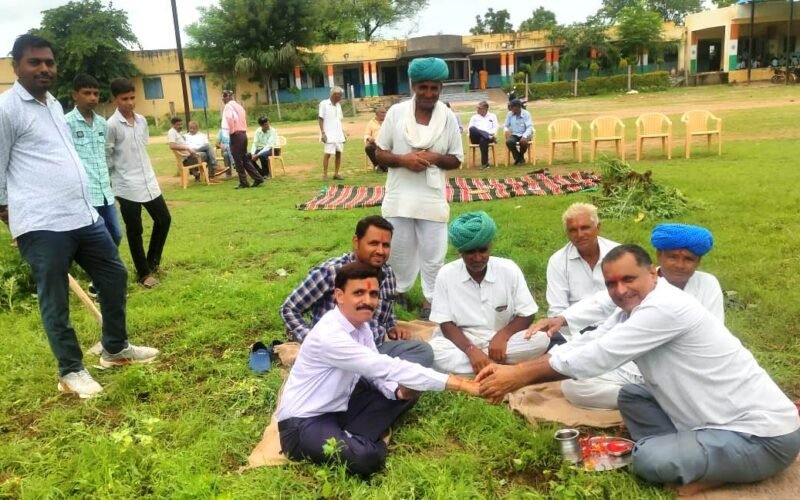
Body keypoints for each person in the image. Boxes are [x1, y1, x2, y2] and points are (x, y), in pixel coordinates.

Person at [478, 244, 800, 495]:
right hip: (708, 420)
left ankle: (703, 469)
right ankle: (691, 456)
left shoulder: (664, 308)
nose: (620, 290)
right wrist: (518, 369)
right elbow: (591, 340)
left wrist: (518, 376)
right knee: (632, 395)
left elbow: (598, 357)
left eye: (628, 279)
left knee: (645, 459)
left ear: (652, 274)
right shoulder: (635, 308)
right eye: (611, 284)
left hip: (763, 438)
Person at [0, 35, 159, 399]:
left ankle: (114, 349)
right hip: (42, 222)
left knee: (114, 275)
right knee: (55, 297)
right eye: (35, 62)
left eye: (49, 62)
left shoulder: (53, 105)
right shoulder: (6, 109)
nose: (44, 68)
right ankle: (70, 370)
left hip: (82, 215)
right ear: (16, 66)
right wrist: (9, 213)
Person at [275, 262, 479, 476]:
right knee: (366, 459)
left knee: (407, 391)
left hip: (339, 409)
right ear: (340, 296)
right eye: (359, 293)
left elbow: (376, 376)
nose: (368, 301)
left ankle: (353, 434)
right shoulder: (330, 335)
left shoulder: (361, 328)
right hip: (303, 424)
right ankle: (364, 440)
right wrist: (461, 384)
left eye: (373, 294)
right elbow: (385, 366)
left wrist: (398, 392)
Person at [534, 223, 723, 410]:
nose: (680, 265)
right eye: (673, 257)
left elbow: (713, 334)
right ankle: (649, 400)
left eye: (688, 259)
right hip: (632, 365)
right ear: (660, 256)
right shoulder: (641, 279)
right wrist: (562, 319)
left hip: (682, 371)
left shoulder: (707, 284)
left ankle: (648, 401)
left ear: (698, 261)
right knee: (574, 386)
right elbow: (601, 302)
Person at [375, 57, 463, 320]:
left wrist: (434, 157)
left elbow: (456, 160)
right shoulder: (396, 113)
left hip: (431, 197)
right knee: (397, 250)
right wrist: (404, 160)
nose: (428, 93)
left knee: (434, 253)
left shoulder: (447, 117)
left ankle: (430, 301)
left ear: (441, 88)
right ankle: (397, 291)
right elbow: (379, 153)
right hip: (399, 195)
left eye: (434, 88)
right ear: (413, 86)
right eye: (423, 87)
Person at [280, 215, 433, 367]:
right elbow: (289, 309)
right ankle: (375, 377)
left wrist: (392, 327)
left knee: (423, 351)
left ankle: (374, 376)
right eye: (373, 243)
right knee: (395, 371)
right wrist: (313, 341)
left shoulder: (387, 274)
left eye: (385, 245)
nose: (380, 251)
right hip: (340, 355)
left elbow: (387, 309)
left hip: (375, 349)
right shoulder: (331, 272)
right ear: (356, 242)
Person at [427, 211, 549, 375]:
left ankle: (479, 366)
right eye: (470, 252)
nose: (478, 258)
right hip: (462, 343)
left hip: (503, 342)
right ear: (460, 252)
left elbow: (527, 313)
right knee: (434, 351)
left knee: (541, 340)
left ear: (490, 246)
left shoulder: (508, 269)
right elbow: (445, 323)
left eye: (483, 250)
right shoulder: (446, 274)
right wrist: (470, 350)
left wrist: (503, 336)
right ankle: (497, 367)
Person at [106, 77, 171, 289]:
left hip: (148, 181)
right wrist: (114, 179)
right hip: (126, 185)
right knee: (135, 230)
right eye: (124, 99)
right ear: (115, 99)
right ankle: (144, 274)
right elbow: (108, 156)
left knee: (164, 219)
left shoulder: (142, 121)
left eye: (132, 97)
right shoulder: (111, 125)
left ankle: (152, 262)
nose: (130, 102)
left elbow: (142, 147)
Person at [545, 203, 619, 343]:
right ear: (567, 233)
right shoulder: (558, 261)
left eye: (585, 228)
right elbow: (557, 310)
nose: (579, 235)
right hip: (575, 331)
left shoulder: (618, 254)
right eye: (573, 230)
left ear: (598, 228)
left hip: (615, 326)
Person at [65, 74, 123, 249]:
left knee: (116, 233)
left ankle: (105, 262)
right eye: (87, 93)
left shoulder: (102, 123)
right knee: (92, 238)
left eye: (96, 94)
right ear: (75, 95)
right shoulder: (66, 123)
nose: (92, 98)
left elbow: (105, 154)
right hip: (84, 193)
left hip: (104, 190)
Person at [223, 89, 263, 189]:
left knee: (237, 159)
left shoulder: (228, 106)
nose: (223, 99)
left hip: (236, 135)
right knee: (244, 158)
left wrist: (231, 131)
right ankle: (257, 177)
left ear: (228, 97)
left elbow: (229, 119)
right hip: (243, 134)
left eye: (224, 96)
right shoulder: (239, 106)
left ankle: (243, 182)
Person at [167, 117, 206, 181]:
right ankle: (211, 173)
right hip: (186, 160)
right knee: (205, 155)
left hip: (189, 156)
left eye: (181, 124)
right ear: (173, 125)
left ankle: (195, 173)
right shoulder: (172, 132)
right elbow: (172, 146)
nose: (180, 126)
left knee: (204, 152)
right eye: (178, 124)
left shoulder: (177, 132)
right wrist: (187, 148)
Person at [319, 86, 346, 181]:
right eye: (340, 95)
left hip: (338, 134)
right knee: (327, 154)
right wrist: (323, 133)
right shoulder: (324, 104)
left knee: (338, 153)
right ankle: (325, 175)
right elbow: (320, 118)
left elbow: (339, 120)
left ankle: (336, 174)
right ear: (334, 95)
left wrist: (343, 133)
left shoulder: (338, 105)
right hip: (328, 133)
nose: (341, 97)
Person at [467, 100, 499, 169]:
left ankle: (485, 164)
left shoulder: (492, 116)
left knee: (483, 139)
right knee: (472, 128)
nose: (477, 109)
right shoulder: (474, 117)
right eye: (477, 108)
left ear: (485, 109)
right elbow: (470, 129)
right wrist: (488, 135)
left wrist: (491, 134)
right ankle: (487, 136)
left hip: (487, 138)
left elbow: (495, 127)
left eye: (479, 108)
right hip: (475, 138)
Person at [504, 99, 534, 165]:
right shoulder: (509, 114)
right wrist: (506, 131)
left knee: (523, 142)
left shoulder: (526, 114)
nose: (511, 109)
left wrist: (524, 136)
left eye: (512, 107)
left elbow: (529, 127)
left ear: (518, 107)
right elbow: (506, 125)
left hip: (525, 133)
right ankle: (520, 158)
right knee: (509, 142)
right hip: (514, 134)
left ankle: (519, 158)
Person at [364, 106, 386, 173]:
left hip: (387, 143)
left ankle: (381, 167)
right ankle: (378, 165)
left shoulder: (388, 122)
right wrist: (369, 138)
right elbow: (366, 134)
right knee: (369, 148)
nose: (384, 114)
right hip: (375, 143)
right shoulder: (371, 123)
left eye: (385, 112)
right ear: (377, 113)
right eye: (382, 112)